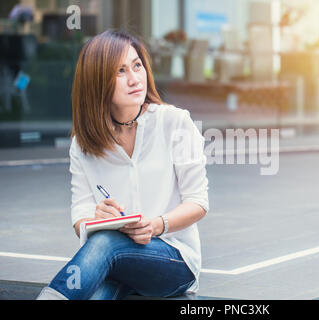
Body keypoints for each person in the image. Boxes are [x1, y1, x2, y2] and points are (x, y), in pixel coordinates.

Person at [36, 29, 209, 300]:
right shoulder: (82, 143)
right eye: (120, 71)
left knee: (105, 243)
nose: (134, 79)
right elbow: (80, 216)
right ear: (98, 82)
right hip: (115, 261)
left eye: (137, 65)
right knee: (98, 291)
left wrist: (155, 225)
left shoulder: (175, 123)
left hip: (173, 261)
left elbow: (198, 202)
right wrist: (97, 218)